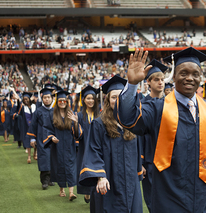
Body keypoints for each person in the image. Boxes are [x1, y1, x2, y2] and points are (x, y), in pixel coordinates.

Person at [114, 47, 206, 212]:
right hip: (171, 193)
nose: (190, 78)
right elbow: (128, 119)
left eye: (195, 74)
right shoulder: (158, 108)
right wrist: (131, 85)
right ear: (173, 77)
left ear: (200, 77)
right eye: (183, 73)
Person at [79, 75, 143, 213]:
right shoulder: (98, 124)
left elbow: (137, 150)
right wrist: (100, 177)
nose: (118, 100)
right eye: (114, 97)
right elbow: (93, 151)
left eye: (121, 96)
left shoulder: (132, 122)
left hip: (131, 183)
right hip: (108, 182)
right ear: (108, 99)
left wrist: (140, 168)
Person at [140, 59, 167, 212]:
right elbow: (140, 137)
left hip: (169, 159)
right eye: (156, 79)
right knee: (153, 201)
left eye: (162, 79)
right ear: (148, 82)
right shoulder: (143, 105)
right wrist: (141, 162)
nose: (160, 82)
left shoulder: (171, 104)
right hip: (150, 160)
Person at [43, 90, 81, 201]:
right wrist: (51, 137)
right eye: (60, 100)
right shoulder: (52, 114)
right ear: (57, 101)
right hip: (58, 145)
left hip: (70, 145)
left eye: (64, 100)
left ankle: (71, 193)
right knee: (59, 166)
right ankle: (61, 190)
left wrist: (75, 122)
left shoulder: (71, 113)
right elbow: (47, 129)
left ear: (67, 101)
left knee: (70, 167)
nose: (62, 102)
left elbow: (77, 133)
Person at [68, 85, 100, 203]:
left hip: (98, 147)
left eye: (92, 98)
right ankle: (87, 192)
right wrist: (75, 123)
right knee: (86, 169)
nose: (91, 101)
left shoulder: (100, 115)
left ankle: (95, 192)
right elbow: (78, 135)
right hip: (85, 147)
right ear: (84, 100)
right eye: (88, 98)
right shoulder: (80, 116)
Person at [27, 88, 55, 190]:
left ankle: (51, 178)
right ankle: (44, 181)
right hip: (41, 138)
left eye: (48, 97)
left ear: (52, 98)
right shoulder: (38, 111)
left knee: (52, 159)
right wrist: (32, 139)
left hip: (53, 139)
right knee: (44, 159)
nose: (47, 99)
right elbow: (33, 126)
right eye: (45, 97)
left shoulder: (55, 110)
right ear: (42, 99)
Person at [16, 92, 37, 164]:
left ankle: (35, 152)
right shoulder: (23, 108)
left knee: (35, 140)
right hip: (26, 127)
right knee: (28, 141)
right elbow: (18, 111)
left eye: (27, 99)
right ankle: (29, 156)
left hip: (34, 126)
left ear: (29, 99)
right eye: (24, 99)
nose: (25, 100)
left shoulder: (35, 106)